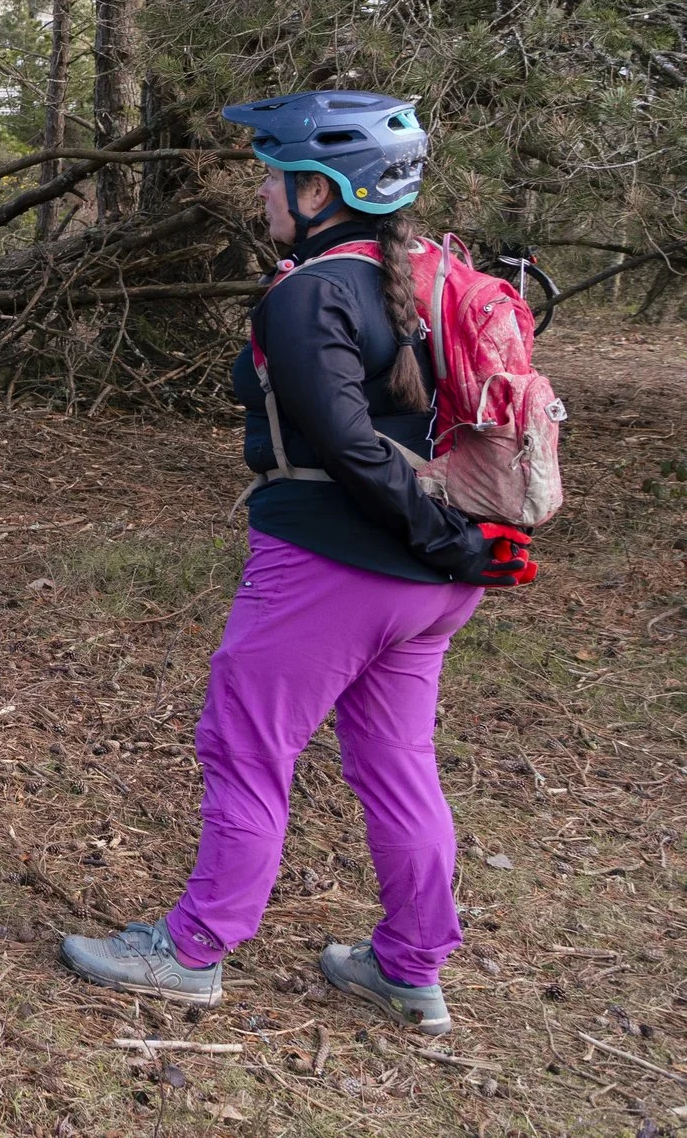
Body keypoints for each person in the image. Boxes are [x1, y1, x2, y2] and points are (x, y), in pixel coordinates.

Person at [58, 91, 535, 1037]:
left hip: (334, 566)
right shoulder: (425, 270)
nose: (266, 193)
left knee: (246, 748)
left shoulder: (311, 290)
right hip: (428, 586)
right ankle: (409, 966)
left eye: (277, 176)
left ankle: (191, 950)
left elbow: (347, 443)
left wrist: (431, 533)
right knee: (398, 766)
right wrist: (447, 543)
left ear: (320, 190)